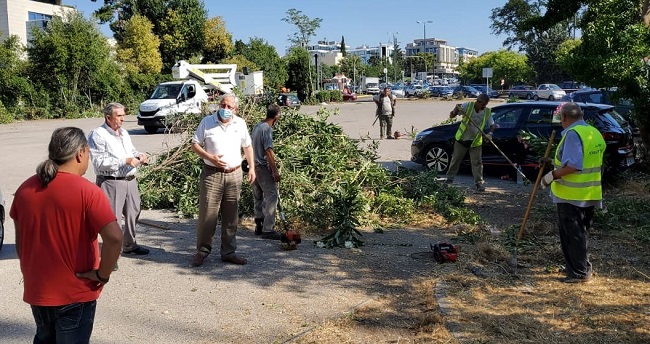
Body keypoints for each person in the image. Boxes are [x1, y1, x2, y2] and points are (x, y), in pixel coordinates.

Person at [10, 127, 123, 343]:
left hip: (39, 291)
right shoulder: (88, 191)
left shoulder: (25, 189)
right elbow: (115, 238)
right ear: (81, 153)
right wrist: (102, 275)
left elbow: (21, 243)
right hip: (76, 292)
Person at [541, 102, 605, 283]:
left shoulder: (572, 134)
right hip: (589, 193)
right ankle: (583, 268)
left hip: (571, 195)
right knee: (581, 234)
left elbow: (574, 165)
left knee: (572, 235)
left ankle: (578, 273)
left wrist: (551, 175)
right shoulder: (593, 133)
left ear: (564, 118)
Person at [191, 94, 256, 266]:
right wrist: (209, 157)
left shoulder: (240, 123)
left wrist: (252, 168)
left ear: (236, 109)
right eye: (223, 105)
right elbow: (195, 144)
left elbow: (247, 146)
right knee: (208, 215)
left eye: (229, 107)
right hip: (212, 174)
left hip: (234, 174)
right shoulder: (207, 122)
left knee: (231, 215)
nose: (225, 109)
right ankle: (202, 251)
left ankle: (228, 252)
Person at [89, 102, 150, 256]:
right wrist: (125, 161)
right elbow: (99, 162)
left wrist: (139, 155)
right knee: (113, 219)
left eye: (124, 115)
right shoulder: (98, 134)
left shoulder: (123, 133)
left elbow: (131, 151)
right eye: (119, 116)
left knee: (134, 211)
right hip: (111, 181)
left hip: (130, 179)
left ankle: (129, 244)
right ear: (108, 117)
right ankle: (112, 252)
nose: (123, 119)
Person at [446, 93, 494, 192]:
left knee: (477, 163)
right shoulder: (467, 106)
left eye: (485, 105)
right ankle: (449, 180)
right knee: (455, 160)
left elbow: (492, 125)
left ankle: (479, 183)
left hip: (475, 142)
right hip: (462, 139)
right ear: (478, 101)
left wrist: (490, 133)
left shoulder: (487, 112)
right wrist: (455, 110)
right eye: (483, 104)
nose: (484, 107)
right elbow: (452, 115)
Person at [251, 104, 282, 240]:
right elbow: (268, 151)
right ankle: (268, 229)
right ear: (276, 117)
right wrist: (274, 171)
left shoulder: (257, 127)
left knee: (258, 196)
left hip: (254, 165)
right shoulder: (267, 129)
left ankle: (259, 224)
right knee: (272, 195)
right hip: (262, 167)